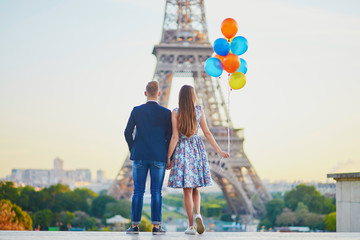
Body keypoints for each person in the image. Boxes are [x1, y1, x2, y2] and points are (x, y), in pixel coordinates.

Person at [166, 85, 230, 235]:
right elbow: (207, 133)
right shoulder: (199, 111)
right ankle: (198, 214)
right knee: (196, 188)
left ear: (180, 97)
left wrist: (168, 157)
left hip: (183, 149)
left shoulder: (175, 112)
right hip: (197, 148)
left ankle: (191, 226)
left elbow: (175, 137)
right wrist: (219, 151)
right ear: (193, 96)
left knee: (186, 191)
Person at [124, 81, 172, 235]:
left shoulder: (137, 111)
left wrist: (134, 149)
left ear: (145, 93)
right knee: (156, 192)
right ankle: (157, 227)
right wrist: (167, 154)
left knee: (138, 191)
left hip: (140, 156)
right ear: (159, 94)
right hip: (159, 157)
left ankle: (134, 226)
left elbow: (127, 132)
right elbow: (170, 136)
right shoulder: (166, 113)